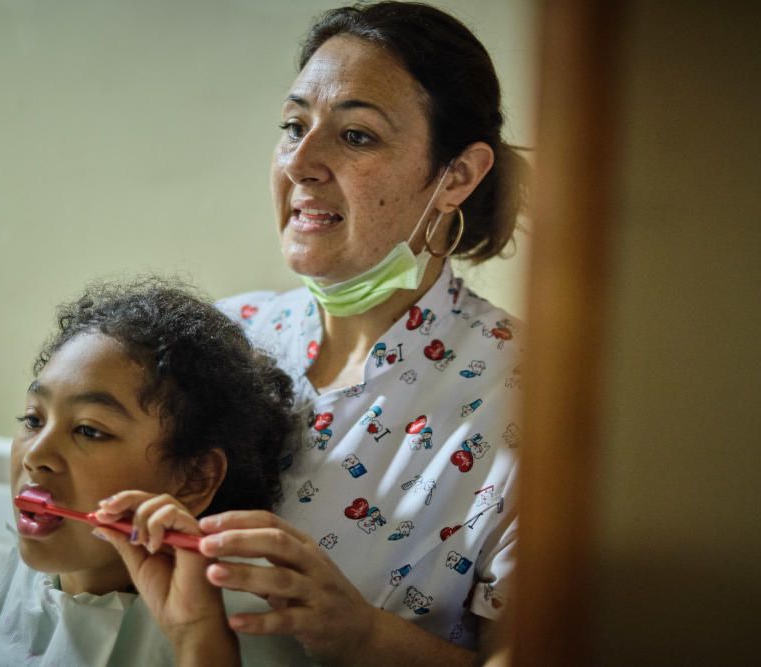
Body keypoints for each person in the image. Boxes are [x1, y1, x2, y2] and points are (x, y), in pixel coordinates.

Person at [198, 3, 528, 665]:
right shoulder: (223, 336)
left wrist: (367, 636)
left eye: (355, 136)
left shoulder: (529, 395)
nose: (300, 163)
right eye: (294, 126)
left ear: (456, 175)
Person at [0, 278, 310, 666]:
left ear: (195, 478)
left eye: (89, 430)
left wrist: (198, 638)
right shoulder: (27, 573)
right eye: (33, 419)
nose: (36, 455)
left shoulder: (245, 635)